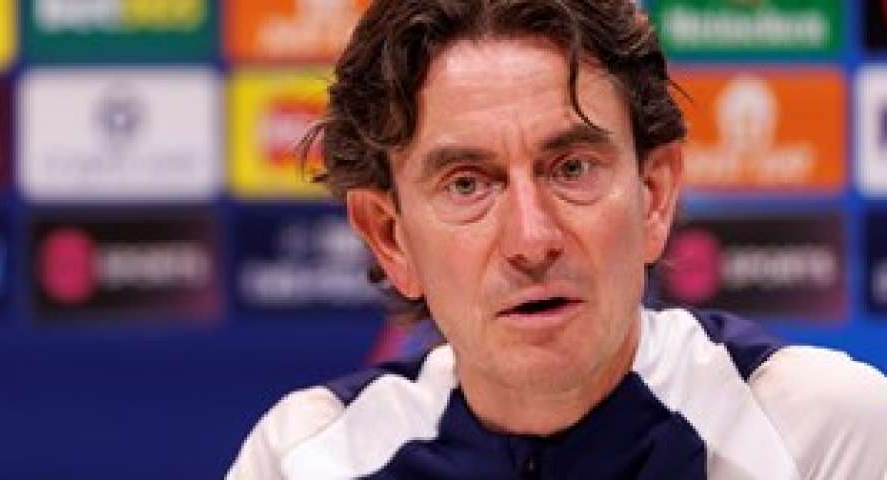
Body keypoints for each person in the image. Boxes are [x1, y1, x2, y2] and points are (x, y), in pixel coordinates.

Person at [227, 0, 887, 478]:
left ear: (654, 195)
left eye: (572, 169)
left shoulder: (821, 435)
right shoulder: (309, 460)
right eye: (467, 184)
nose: (532, 238)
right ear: (390, 237)